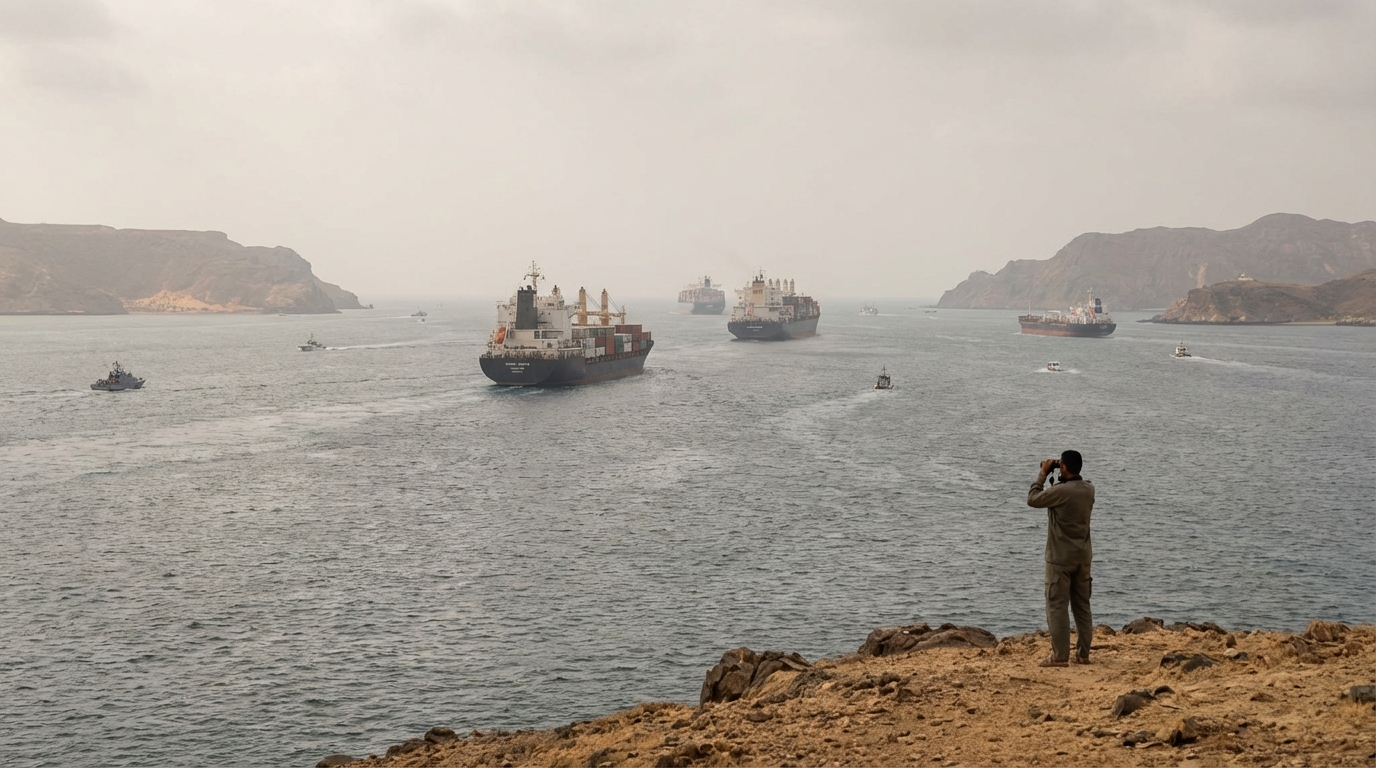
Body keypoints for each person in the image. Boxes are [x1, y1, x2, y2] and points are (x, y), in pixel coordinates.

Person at [1027, 450, 1095, 667]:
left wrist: (1043, 474)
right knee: (1082, 606)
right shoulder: (1089, 490)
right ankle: (1083, 654)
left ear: (1063, 467)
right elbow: (1071, 488)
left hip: (1059, 559)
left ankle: (1060, 656)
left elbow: (1033, 499)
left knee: (1057, 605)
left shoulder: (1061, 492)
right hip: (1083, 557)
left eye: (1060, 465)